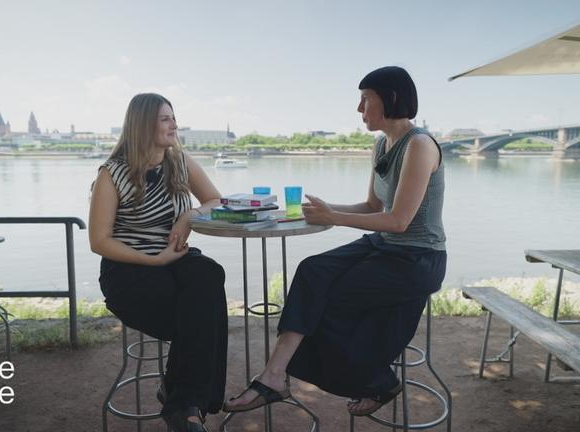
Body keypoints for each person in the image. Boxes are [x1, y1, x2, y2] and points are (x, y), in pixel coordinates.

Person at [223, 66, 446, 417]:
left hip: (418, 258)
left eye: (365, 99)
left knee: (331, 300)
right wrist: (318, 211)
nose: (359, 109)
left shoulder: (419, 145)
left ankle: (377, 380)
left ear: (390, 99)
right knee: (312, 271)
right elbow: (373, 207)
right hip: (384, 245)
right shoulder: (382, 144)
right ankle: (273, 376)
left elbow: (400, 221)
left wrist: (334, 218)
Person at [89, 93, 227, 432]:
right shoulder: (113, 173)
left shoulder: (179, 161)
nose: (174, 125)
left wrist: (189, 216)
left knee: (210, 274)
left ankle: (182, 401)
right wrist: (153, 261)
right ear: (143, 123)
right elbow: (99, 242)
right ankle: (185, 402)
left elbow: (215, 200)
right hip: (128, 269)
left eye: (173, 117)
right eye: (166, 118)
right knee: (196, 314)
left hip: (175, 261)